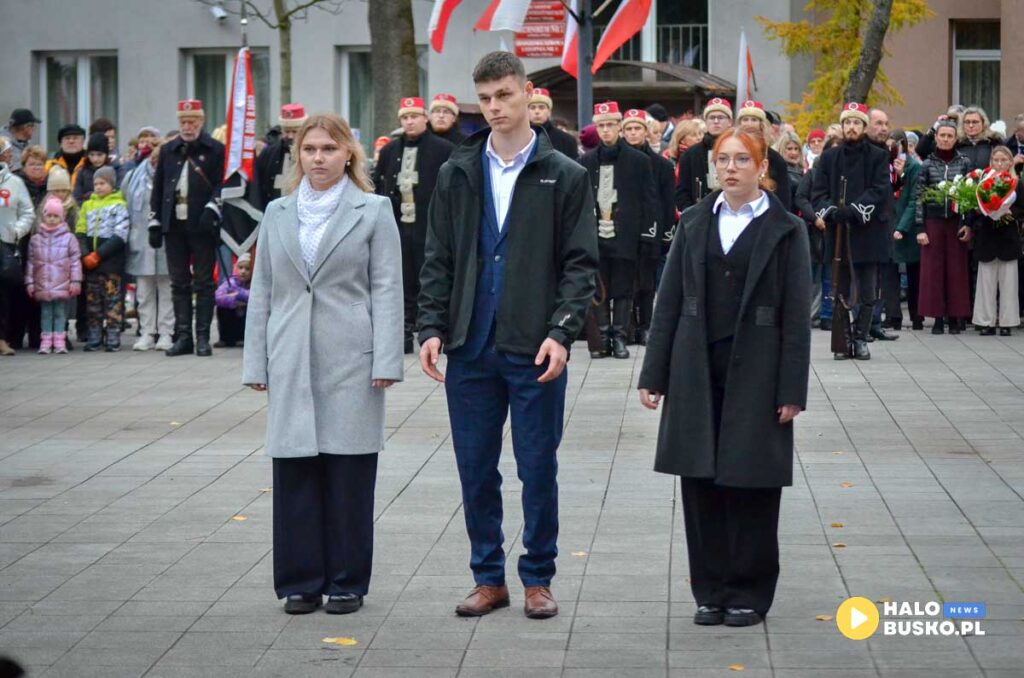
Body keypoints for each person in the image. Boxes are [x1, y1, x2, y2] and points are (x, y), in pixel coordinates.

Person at [417, 51, 598, 620]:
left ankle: (538, 577)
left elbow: (580, 264)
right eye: (487, 98)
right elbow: (438, 257)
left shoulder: (563, 173)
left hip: (533, 346)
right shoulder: (458, 171)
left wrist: (562, 332)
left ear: (527, 95)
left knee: (537, 465)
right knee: (475, 465)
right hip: (470, 344)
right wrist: (430, 325)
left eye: (505, 95)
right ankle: (487, 576)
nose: (496, 107)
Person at [637, 128, 811, 629]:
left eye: (741, 159)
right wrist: (655, 372)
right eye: (722, 159)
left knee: (751, 483)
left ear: (762, 168)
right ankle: (710, 590)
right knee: (701, 483)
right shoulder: (693, 222)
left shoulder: (786, 229)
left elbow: (797, 318)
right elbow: (667, 302)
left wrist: (790, 391)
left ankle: (749, 592)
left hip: (758, 370)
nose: (730, 168)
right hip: (697, 367)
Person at [242, 112, 404, 616]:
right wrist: (256, 361)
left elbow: (387, 285)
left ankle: (347, 581)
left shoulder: (374, 210)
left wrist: (387, 357)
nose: (318, 158)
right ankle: (300, 582)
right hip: (290, 352)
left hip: (351, 355)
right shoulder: (277, 213)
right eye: (309, 149)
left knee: (348, 472)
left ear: (349, 154)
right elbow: (263, 288)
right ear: (298, 156)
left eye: (328, 149)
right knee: (295, 472)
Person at [372, 96, 454, 353]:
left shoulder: (443, 149)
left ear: (424, 118)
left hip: (430, 226)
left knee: (430, 278)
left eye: (414, 116)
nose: (410, 121)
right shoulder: (389, 151)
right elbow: (379, 186)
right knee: (401, 280)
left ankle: (436, 331)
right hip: (398, 227)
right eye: (405, 118)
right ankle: (404, 333)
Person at [812, 102, 891, 360]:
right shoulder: (828, 157)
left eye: (857, 122)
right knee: (840, 291)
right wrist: (831, 210)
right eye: (847, 122)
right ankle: (844, 341)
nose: (851, 127)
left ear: (864, 127)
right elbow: (818, 192)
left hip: (868, 233)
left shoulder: (878, 156)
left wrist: (857, 209)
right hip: (838, 234)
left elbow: (880, 190)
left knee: (867, 291)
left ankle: (861, 339)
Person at [148, 99, 225, 357]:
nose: (188, 126)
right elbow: (159, 188)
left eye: (192, 121)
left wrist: (213, 209)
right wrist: (155, 221)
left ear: (202, 122)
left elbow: (220, 184)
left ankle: (203, 337)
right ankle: (183, 337)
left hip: (201, 224)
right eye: (183, 121)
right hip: (174, 224)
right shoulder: (169, 149)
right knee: (178, 282)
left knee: (204, 283)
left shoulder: (215, 149)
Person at [580, 101, 657, 359]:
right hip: (596, 235)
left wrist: (648, 235)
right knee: (598, 288)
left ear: (619, 127)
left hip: (626, 234)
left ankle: (620, 336)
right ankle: (602, 337)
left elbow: (649, 200)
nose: (606, 131)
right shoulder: (586, 161)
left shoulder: (639, 161)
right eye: (601, 126)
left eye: (611, 125)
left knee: (624, 288)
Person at [912, 120, 973, 334]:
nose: (946, 139)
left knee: (957, 270)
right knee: (933, 271)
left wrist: (967, 224)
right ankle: (937, 317)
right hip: (933, 221)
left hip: (956, 221)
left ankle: (956, 317)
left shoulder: (964, 162)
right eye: (942, 135)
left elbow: (969, 195)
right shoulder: (927, 164)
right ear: (936, 138)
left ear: (955, 139)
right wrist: (920, 227)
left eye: (950, 136)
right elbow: (919, 197)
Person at [622, 109, 674, 345]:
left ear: (646, 132)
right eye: (629, 129)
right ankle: (629, 326)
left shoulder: (660, 165)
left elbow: (666, 201)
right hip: (624, 231)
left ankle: (646, 326)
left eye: (637, 129)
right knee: (627, 282)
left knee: (647, 283)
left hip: (651, 229)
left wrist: (664, 233)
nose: (633, 133)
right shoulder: (619, 161)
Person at [123, 139, 173, 351]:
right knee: (143, 292)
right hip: (141, 240)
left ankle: (166, 332)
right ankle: (146, 332)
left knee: (166, 290)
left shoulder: (171, 176)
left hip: (166, 241)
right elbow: (124, 201)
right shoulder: (134, 177)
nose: (155, 163)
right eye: (154, 159)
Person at [75, 166, 129, 351]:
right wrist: (85, 254)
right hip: (91, 263)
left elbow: (120, 235)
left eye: (102, 183)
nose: (98, 187)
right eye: (96, 183)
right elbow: (80, 231)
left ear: (111, 184)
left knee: (112, 300)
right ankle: (94, 335)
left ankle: (113, 334)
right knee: (93, 301)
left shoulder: (119, 205)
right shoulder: (87, 205)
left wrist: (99, 254)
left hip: (110, 261)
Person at [970, 146, 1021, 335]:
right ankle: (986, 321)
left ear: (1010, 162)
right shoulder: (983, 182)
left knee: (1009, 283)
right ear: (991, 162)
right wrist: (980, 212)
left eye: (1003, 160)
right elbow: (975, 208)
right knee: (986, 282)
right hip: (987, 236)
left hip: (1008, 236)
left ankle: (1007, 322)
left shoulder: (1017, 183)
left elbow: (1021, 207)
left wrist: (1010, 213)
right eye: (996, 160)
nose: (1000, 164)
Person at [25, 196, 82, 354]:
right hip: (42, 284)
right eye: (49, 215)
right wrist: (29, 282)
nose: (51, 219)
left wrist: (75, 281)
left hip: (62, 283)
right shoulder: (35, 239)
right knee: (45, 313)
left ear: (62, 217)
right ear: (44, 216)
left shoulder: (69, 238)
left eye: (55, 216)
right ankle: (45, 340)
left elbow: (75, 261)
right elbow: (31, 262)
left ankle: (59, 341)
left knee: (59, 313)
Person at [866, 108, 901, 337]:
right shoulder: (864, 152)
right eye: (878, 123)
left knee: (882, 275)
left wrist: (900, 177)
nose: (884, 128)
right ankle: (863, 323)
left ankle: (876, 323)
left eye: (886, 123)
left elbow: (887, 189)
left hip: (885, 220)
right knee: (866, 276)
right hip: (868, 221)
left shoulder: (886, 152)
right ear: (866, 126)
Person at [0, 141, 35, 356]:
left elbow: (28, 212)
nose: (9, 157)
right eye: (6, 153)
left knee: (3, 293)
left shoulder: (14, 182)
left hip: (4, 243)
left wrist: (16, 231)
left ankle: (2, 339)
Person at [889, 130, 924, 330]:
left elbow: (914, 199)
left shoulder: (914, 167)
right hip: (889, 221)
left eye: (895, 145)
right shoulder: (885, 165)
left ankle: (917, 316)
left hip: (907, 225)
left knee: (914, 272)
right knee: (890, 273)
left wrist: (902, 226)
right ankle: (893, 316)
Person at [676, 98, 735, 211]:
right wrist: (692, 213)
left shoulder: (741, 150)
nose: (716, 121)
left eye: (721, 117)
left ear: (730, 122)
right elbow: (682, 191)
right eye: (712, 117)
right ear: (705, 121)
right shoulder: (690, 154)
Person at [734, 101, 792, 211]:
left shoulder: (775, 159)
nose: (749, 124)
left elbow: (784, 199)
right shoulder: (731, 153)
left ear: (761, 124)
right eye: (745, 119)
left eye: (754, 120)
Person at [254, 104, 308, 209]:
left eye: (295, 132)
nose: (290, 136)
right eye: (287, 131)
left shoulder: (312, 154)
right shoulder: (268, 154)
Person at [527, 88, 579, 160]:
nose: (537, 111)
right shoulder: (517, 138)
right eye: (532, 108)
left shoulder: (567, 140)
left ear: (549, 112)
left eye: (541, 107)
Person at [74, 132, 122, 204]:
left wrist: (88, 195)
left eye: (99, 155)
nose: (95, 159)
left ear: (106, 154)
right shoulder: (82, 172)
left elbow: (119, 192)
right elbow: (77, 198)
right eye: (91, 155)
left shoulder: (116, 170)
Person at [214, 253, 251, 348]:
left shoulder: (254, 284)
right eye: (240, 268)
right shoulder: (230, 282)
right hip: (231, 315)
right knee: (222, 308)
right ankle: (225, 338)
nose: (243, 271)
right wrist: (233, 299)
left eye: (247, 269)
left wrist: (238, 294)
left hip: (244, 317)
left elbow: (254, 296)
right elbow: (217, 297)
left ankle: (242, 337)